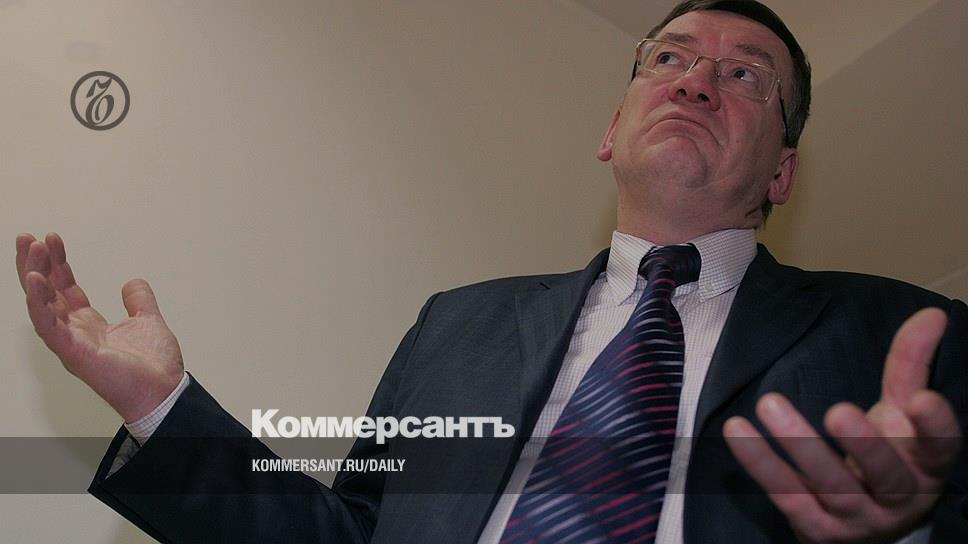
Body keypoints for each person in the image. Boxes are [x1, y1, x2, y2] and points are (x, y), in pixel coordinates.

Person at [16, 0, 966, 542]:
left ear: (783, 173)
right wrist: (164, 409)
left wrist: (912, 530)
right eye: (668, 58)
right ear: (613, 129)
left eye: (746, 74)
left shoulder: (910, 339)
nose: (695, 81)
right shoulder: (455, 326)